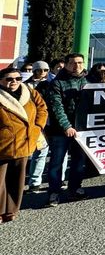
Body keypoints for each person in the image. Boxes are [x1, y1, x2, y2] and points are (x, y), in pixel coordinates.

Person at [0, 67, 47, 223]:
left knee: (17, 180)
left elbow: (42, 108)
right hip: (3, 143)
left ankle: (11, 210)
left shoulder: (30, 92)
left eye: (18, 78)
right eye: (9, 79)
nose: (14, 82)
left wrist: (37, 127)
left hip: (25, 141)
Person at [45, 53, 88, 206]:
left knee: (78, 161)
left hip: (82, 130)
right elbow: (56, 107)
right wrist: (66, 126)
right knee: (57, 162)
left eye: (80, 63)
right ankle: (54, 192)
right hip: (60, 131)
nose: (77, 66)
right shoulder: (57, 83)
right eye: (73, 63)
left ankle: (75, 188)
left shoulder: (88, 80)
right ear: (66, 64)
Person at [23, 61, 51, 192]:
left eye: (46, 70)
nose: (43, 72)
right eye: (40, 70)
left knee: (42, 151)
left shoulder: (51, 84)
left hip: (47, 122)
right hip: (31, 122)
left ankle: (35, 182)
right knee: (30, 153)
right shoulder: (24, 86)